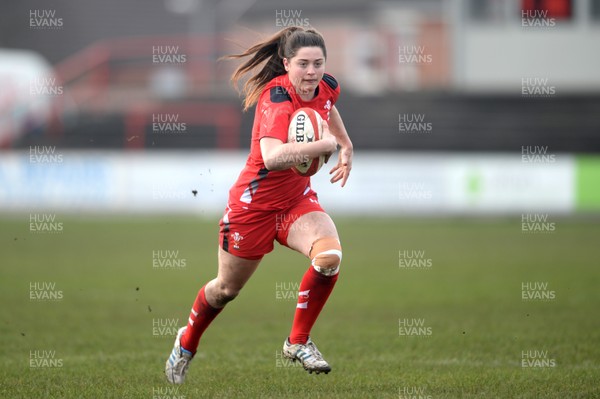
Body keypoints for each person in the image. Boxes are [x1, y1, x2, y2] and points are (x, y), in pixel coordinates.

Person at [165, 26, 353, 384]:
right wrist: (323, 147)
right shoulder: (276, 97)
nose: (311, 72)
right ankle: (185, 343)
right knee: (225, 290)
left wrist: (345, 144)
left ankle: (297, 341)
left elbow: (327, 109)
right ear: (286, 63)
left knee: (329, 258)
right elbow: (273, 156)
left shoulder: (327, 84)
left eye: (318, 63)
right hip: (252, 207)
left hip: (296, 200)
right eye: (303, 64)